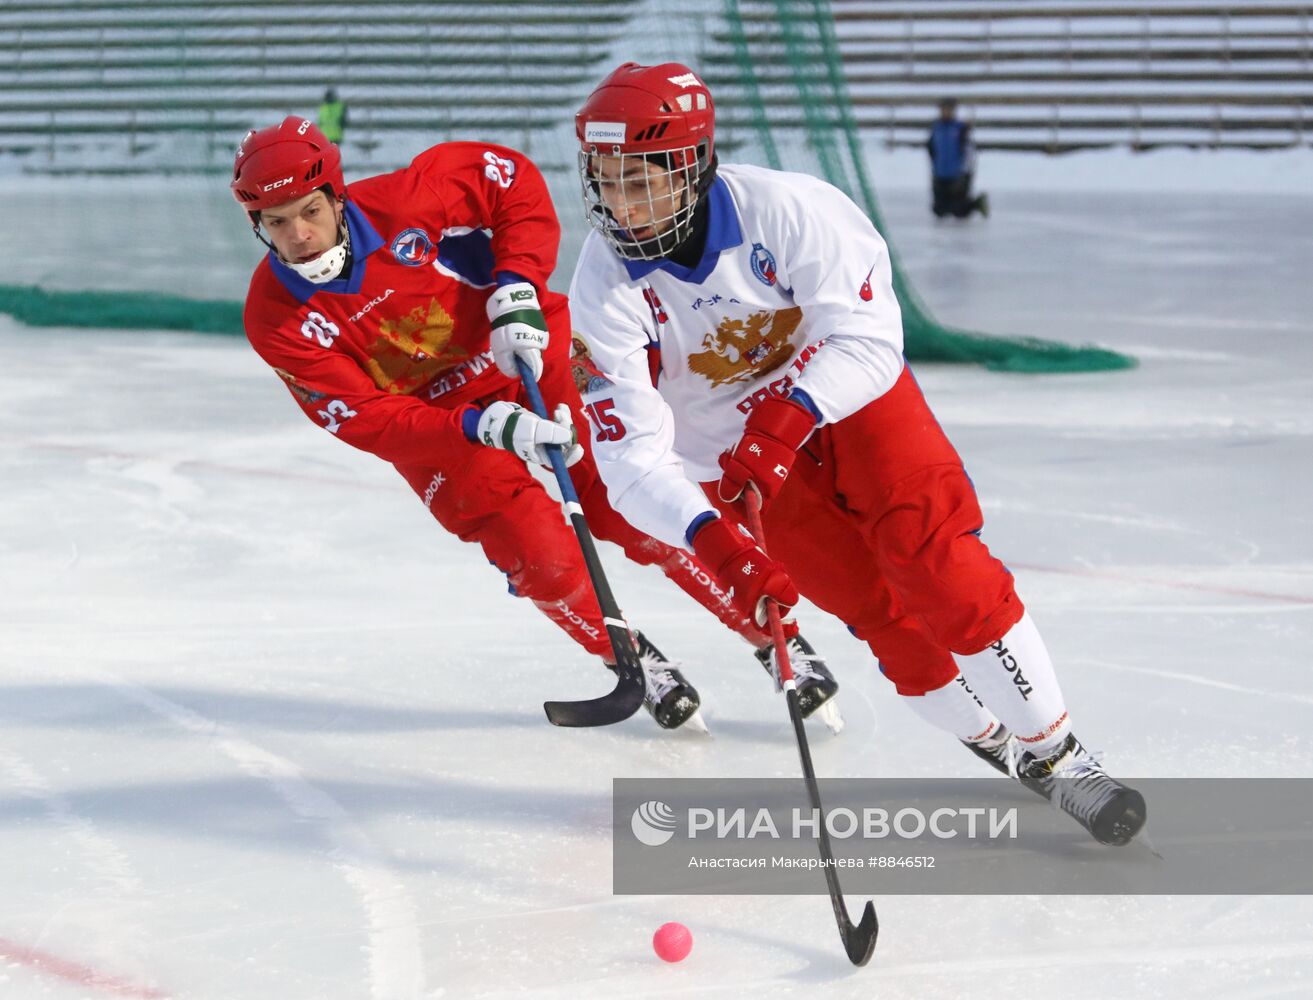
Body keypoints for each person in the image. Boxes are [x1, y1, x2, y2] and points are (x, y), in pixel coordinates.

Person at [568, 62, 1146, 845]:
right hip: (734, 466)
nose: (621, 205)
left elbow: (871, 340)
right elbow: (630, 463)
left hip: (847, 404)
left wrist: (790, 414)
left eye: (641, 180)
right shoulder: (603, 287)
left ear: (693, 166)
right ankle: (996, 744)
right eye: (605, 181)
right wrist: (713, 542)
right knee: (877, 614)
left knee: (936, 560)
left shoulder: (793, 211)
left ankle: (1060, 754)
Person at [229, 116, 841, 732]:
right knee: (542, 558)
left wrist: (517, 284)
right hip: (439, 424)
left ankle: (770, 635)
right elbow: (363, 416)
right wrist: (476, 427)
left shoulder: (410, 201)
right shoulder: (274, 317)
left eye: (309, 210)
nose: (300, 235)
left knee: (632, 502)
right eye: (276, 223)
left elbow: (511, 182)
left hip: (524, 347)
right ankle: (631, 660)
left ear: (336, 195)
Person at [927, 98, 988, 219]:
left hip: (957, 174)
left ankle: (977, 203)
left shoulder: (960, 129)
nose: (945, 112)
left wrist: (966, 173)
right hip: (940, 174)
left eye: (948, 110)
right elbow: (931, 149)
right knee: (939, 210)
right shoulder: (937, 128)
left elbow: (969, 152)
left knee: (959, 211)